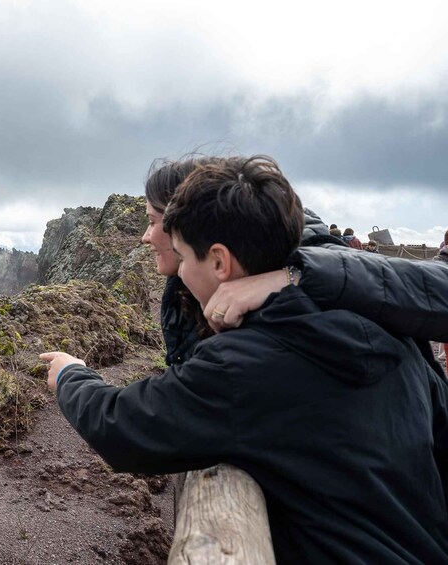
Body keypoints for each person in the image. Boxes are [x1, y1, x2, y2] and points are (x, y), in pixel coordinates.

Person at [42, 156, 448, 563]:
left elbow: (124, 425)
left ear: (219, 261)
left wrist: (71, 375)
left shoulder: (246, 364)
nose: (179, 270)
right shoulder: (373, 314)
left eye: (183, 257)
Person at [142, 156, 448, 377]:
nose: (145, 236)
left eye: (153, 221)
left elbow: (437, 290)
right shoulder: (183, 287)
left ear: (188, 220)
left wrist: (297, 274)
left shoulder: (304, 247)